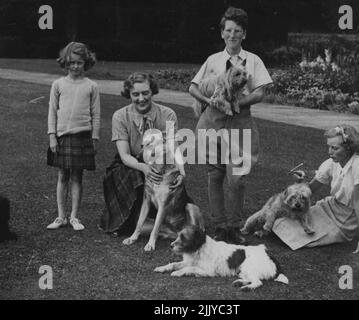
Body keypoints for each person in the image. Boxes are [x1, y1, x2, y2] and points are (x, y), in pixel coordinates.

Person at [189, 7, 273, 244]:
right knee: (214, 175)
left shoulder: (253, 60)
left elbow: (260, 92)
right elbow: (193, 88)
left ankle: (235, 226)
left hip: (240, 126)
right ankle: (219, 226)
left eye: (237, 30)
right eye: (228, 30)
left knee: (237, 178)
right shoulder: (213, 60)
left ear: (244, 34)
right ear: (222, 33)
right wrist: (211, 102)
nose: (232, 34)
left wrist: (237, 104)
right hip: (212, 124)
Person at [273, 125, 359, 256]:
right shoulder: (331, 163)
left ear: (348, 148)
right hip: (329, 206)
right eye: (329, 146)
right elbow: (310, 189)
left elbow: (358, 202)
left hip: (345, 219)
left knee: (296, 236)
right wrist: (300, 182)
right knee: (279, 223)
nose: (330, 151)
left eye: (335, 148)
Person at [99, 72, 185, 235]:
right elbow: (124, 155)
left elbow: (174, 149)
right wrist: (143, 167)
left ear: (152, 91)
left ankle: (156, 219)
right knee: (136, 178)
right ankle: (132, 220)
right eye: (135, 94)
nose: (141, 98)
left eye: (145, 93)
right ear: (128, 94)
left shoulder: (168, 114)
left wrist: (181, 172)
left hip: (161, 163)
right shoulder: (120, 116)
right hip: (130, 162)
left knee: (175, 195)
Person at [47, 42, 100, 231]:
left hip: (83, 137)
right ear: (66, 63)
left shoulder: (91, 86)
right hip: (62, 137)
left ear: (86, 62)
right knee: (62, 176)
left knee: (77, 177)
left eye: (79, 62)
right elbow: (52, 112)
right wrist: (52, 136)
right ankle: (60, 216)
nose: (76, 66)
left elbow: (96, 114)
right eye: (72, 63)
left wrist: (95, 138)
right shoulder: (58, 84)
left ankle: (74, 217)